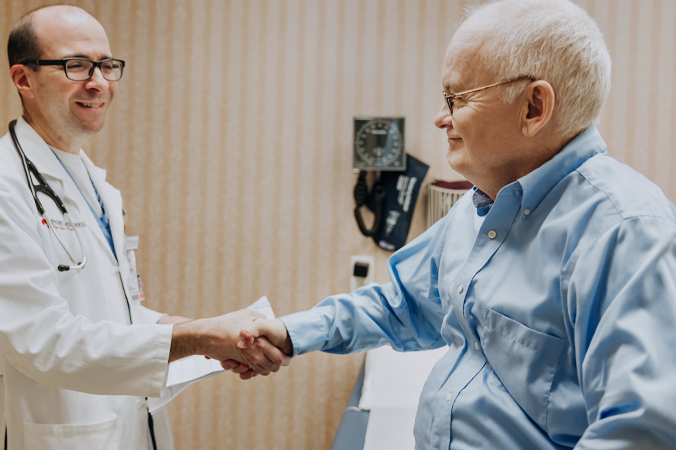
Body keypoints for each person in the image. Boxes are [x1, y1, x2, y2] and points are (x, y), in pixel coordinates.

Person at [227, 0, 676, 448]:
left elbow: (637, 433)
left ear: (534, 107)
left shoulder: (624, 230)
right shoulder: (478, 208)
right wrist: (291, 333)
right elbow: (402, 305)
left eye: (456, 98)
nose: (442, 118)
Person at [0, 6, 288, 450]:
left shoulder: (94, 185)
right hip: (50, 430)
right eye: (76, 65)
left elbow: (113, 312)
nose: (99, 81)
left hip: (123, 425)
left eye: (106, 65)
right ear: (24, 79)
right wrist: (196, 337)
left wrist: (209, 332)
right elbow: (44, 341)